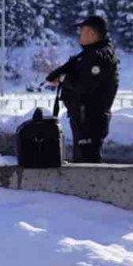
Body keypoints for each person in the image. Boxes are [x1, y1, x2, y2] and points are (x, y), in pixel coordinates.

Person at [46, 15, 120, 163]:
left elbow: (85, 86)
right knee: (82, 161)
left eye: (82, 32)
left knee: (87, 163)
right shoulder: (90, 55)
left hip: (91, 117)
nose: (80, 36)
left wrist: (63, 79)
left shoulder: (98, 56)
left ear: (91, 33)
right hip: (83, 116)